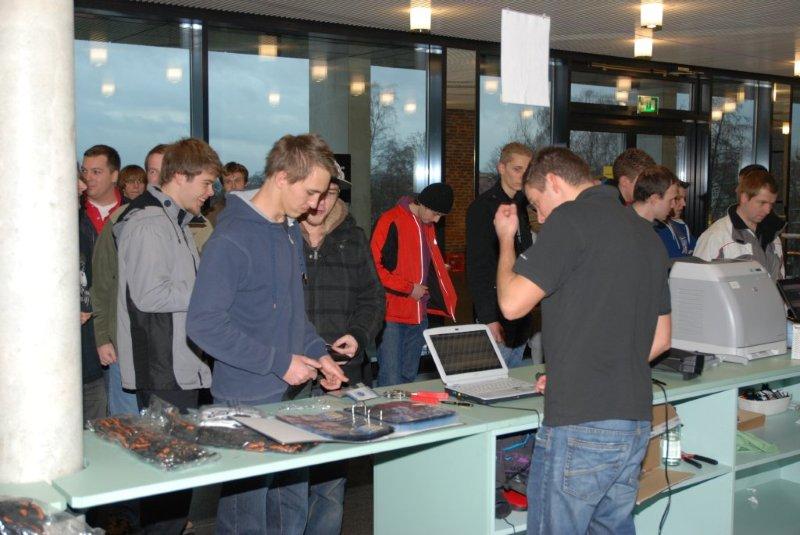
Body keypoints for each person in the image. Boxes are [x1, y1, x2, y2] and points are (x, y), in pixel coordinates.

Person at [494, 147, 672, 534]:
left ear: (554, 182)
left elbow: (511, 304)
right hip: (634, 421)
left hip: (581, 422)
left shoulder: (570, 219)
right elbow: (661, 339)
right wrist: (587, 368)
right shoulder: (646, 234)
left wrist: (506, 240)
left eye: (537, 204)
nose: (541, 218)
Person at [186, 133, 347, 535]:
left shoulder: (288, 230)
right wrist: (279, 362)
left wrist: (318, 352)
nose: (316, 204)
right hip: (245, 401)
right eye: (310, 192)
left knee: (290, 510)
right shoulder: (231, 239)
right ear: (281, 178)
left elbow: (293, 314)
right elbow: (203, 324)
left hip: (291, 395)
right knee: (246, 520)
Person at [274, 162, 385, 535]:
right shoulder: (280, 235)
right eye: (315, 193)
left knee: (331, 482)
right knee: (288, 478)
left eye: (331, 193)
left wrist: (358, 334)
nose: (320, 202)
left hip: (339, 371)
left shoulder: (353, 238)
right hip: (288, 373)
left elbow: (373, 298)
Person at [370, 182, 457, 386]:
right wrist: (409, 288)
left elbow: (417, 263)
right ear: (423, 204)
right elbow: (373, 268)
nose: (436, 220)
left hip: (419, 314)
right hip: (392, 315)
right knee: (391, 379)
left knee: (409, 378)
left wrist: (437, 270)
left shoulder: (427, 226)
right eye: (435, 214)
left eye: (440, 216)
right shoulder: (390, 220)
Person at [466, 142, 534, 368]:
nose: (523, 176)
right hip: (495, 309)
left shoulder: (522, 206)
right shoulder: (482, 208)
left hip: (520, 308)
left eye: (527, 170)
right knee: (494, 376)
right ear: (501, 168)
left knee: (515, 377)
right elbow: (477, 267)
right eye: (517, 169)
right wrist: (488, 317)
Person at [79, 144, 126, 422]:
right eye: (85, 171)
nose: (88, 178)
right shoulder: (70, 216)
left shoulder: (132, 214)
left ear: (114, 175)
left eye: (96, 172)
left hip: (120, 327)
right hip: (85, 333)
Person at [694, 167, 784, 279]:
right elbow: (698, 282)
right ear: (744, 197)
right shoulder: (716, 237)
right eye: (762, 203)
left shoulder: (774, 237)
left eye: (771, 204)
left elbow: (780, 281)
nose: (768, 210)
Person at [655, 178, 696, 258]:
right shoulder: (659, 227)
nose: (684, 204)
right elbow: (673, 260)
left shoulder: (681, 225)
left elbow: (698, 253)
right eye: (677, 199)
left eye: (684, 199)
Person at [206, 161, 249, 225]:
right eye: (228, 182)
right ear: (223, 185)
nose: (233, 186)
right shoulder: (213, 214)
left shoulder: (257, 209)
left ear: (246, 183)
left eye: (237, 181)